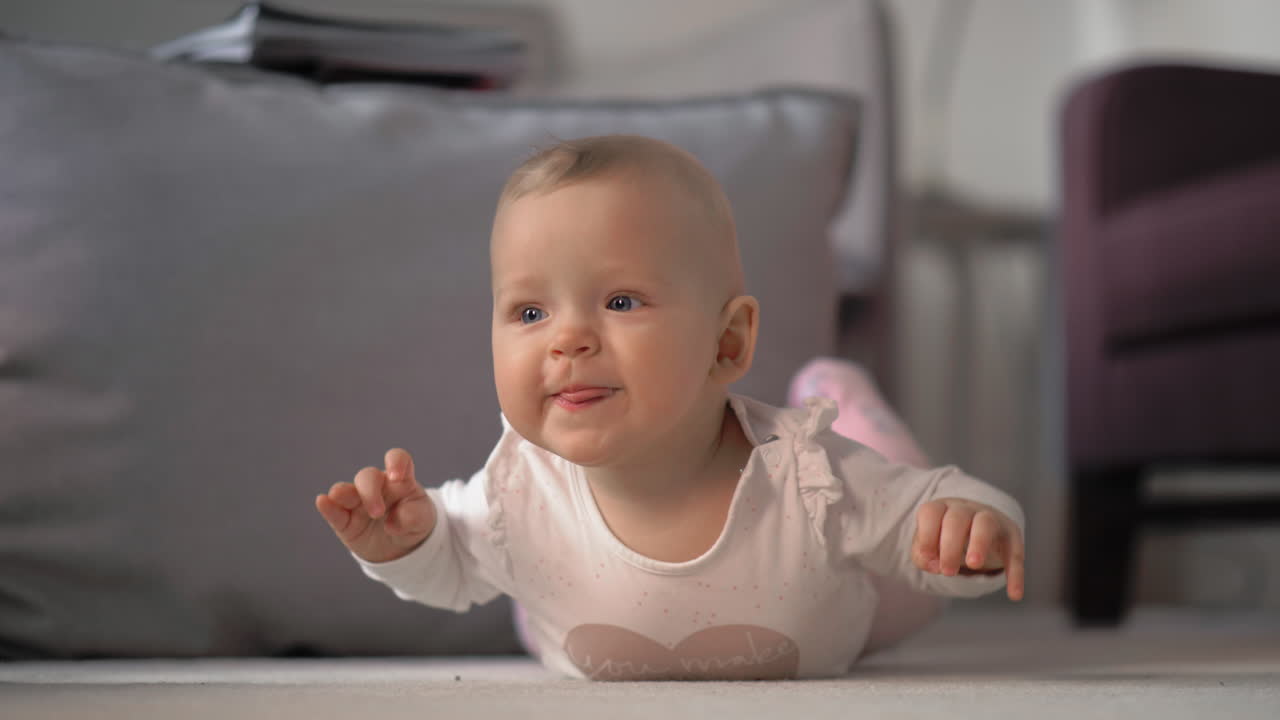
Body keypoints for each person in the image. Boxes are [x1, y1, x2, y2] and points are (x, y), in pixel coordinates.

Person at [314, 135, 1026, 680]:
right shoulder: (517, 495)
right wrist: (404, 544)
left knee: (909, 572)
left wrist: (969, 530)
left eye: (620, 301)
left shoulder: (812, 480)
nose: (567, 339)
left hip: (847, 596)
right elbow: (456, 568)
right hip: (571, 600)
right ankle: (547, 611)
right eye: (529, 311)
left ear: (727, 342)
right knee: (535, 595)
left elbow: (929, 507)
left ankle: (841, 397)